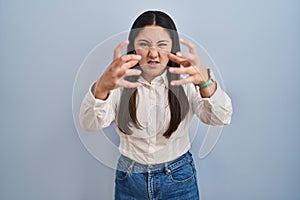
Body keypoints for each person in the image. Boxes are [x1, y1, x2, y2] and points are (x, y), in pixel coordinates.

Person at [79, 10, 232, 200]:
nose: (153, 54)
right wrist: (101, 88)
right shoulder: (118, 84)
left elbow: (221, 118)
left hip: (178, 178)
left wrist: (205, 83)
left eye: (162, 45)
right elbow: (88, 123)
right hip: (130, 179)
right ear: (133, 48)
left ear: (173, 48)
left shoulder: (187, 82)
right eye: (144, 44)